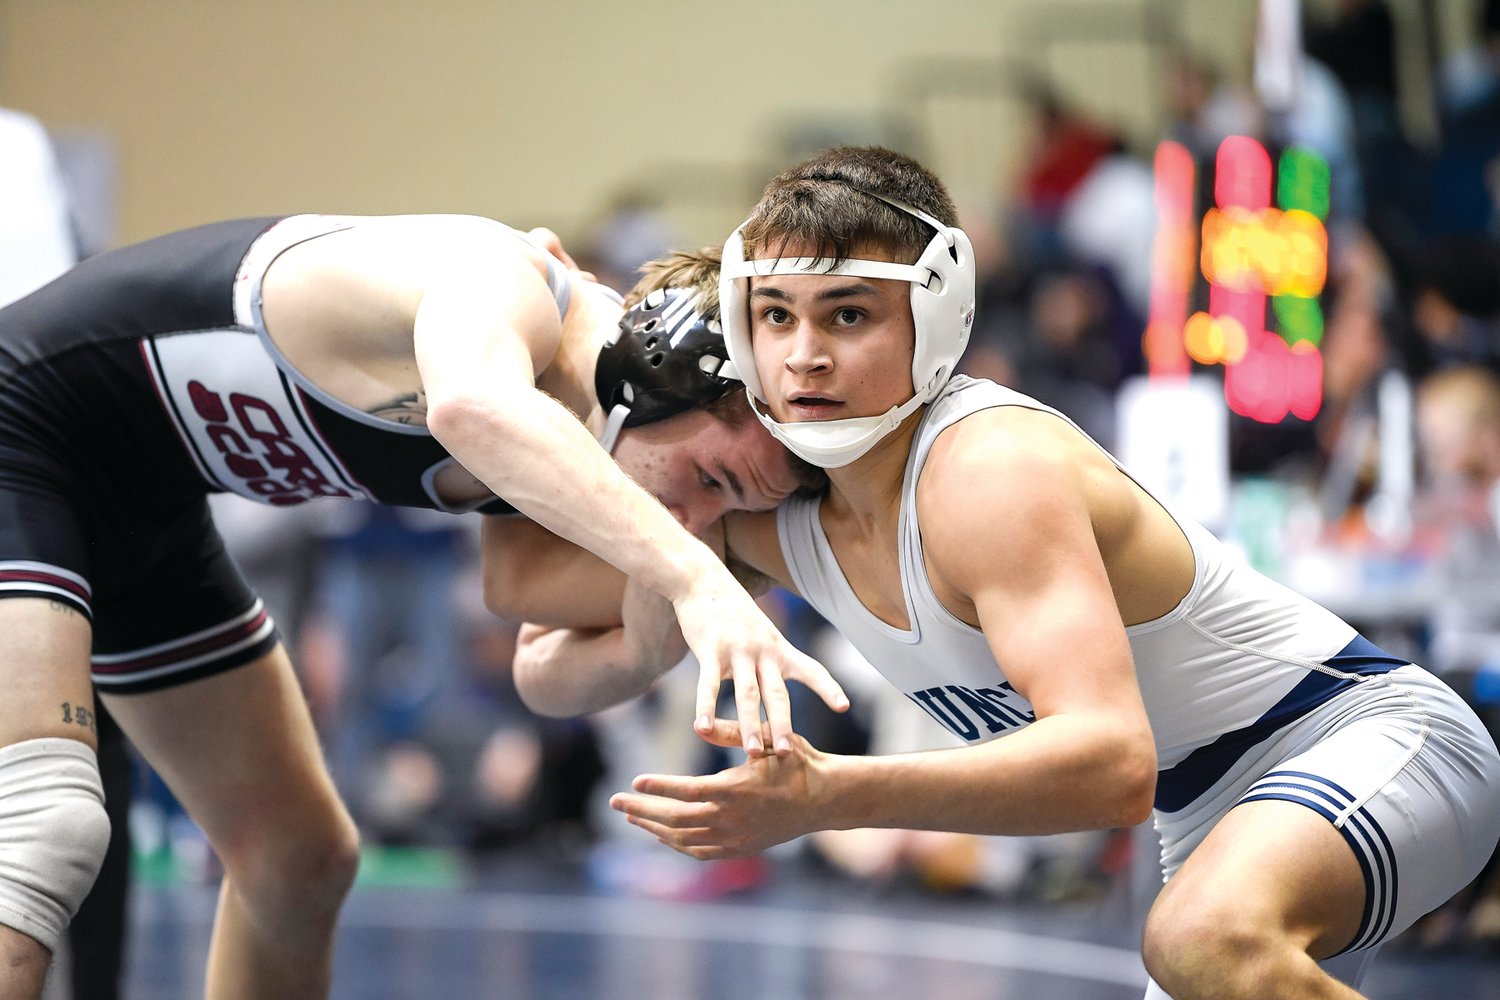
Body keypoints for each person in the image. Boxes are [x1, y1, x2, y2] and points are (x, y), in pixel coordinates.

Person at [513, 147, 1500, 999]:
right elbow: (530, 616)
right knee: (1206, 943)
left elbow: (1109, 764)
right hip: (1207, 811)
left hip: (1366, 738)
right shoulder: (776, 520)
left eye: (847, 315)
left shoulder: (985, 468)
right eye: (775, 316)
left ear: (932, 322)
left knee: (1204, 939)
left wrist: (828, 794)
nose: (804, 356)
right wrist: (626, 480)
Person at [0, 212, 847, 1000]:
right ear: (666, 365)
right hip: (24, 421)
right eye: (711, 482)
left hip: (144, 504)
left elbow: (540, 670)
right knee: (47, 825)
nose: (696, 521)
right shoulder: (507, 282)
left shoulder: (577, 450)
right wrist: (694, 576)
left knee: (299, 861)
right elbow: (469, 406)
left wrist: (651, 634)